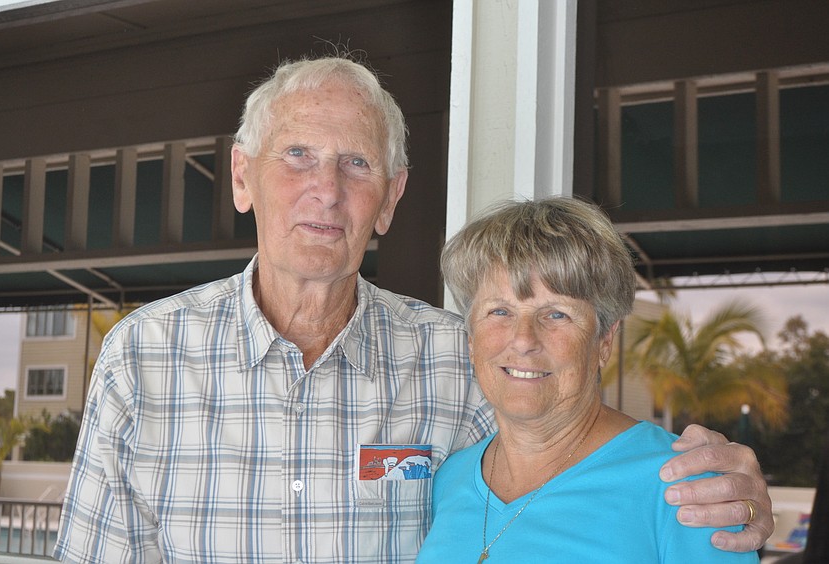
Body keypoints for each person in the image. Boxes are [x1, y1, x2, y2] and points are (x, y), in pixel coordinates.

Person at [54, 55, 772, 563]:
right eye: (297, 154)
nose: (327, 190)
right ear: (243, 176)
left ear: (391, 198)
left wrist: (733, 496)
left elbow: (578, 466)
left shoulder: (459, 358)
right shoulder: (141, 358)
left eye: (357, 164)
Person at [417, 198, 759, 563]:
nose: (523, 340)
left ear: (604, 341)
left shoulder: (684, 487)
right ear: (471, 339)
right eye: (499, 311)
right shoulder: (448, 479)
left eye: (557, 314)